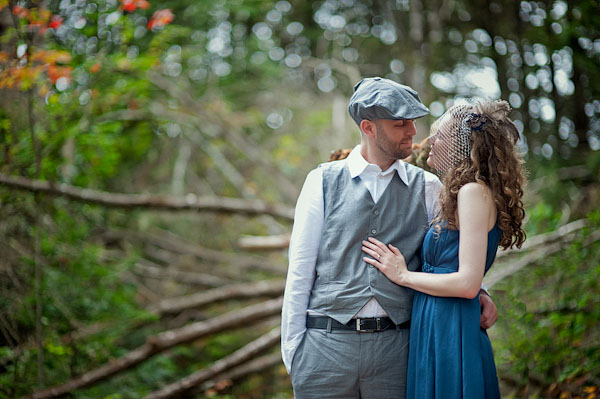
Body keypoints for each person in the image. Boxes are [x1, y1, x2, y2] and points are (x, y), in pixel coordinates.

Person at [281, 77, 499, 399]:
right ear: (368, 128)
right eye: (400, 124)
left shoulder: (428, 187)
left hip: (398, 352)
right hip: (325, 348)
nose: (412, 131)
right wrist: (295, 354)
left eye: (413, 122)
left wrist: (479, 290)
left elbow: (445, 252)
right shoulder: (321, 181)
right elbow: (299, 272)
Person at [361, 100, 526, 398]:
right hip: (434, 320)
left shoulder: (473, 192)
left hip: (452, 326)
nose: (430, 142)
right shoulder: (456, 193)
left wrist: (403, 275)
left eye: (440, 135)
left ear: (463, 145)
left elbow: (466, 283)